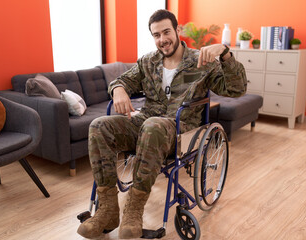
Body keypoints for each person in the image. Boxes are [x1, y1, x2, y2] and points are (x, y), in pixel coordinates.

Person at [77, 9, 247, 239]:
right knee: (99, 125)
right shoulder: (148, 62)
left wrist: (225, 53)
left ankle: (134, 210)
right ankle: (108, 210)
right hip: (146, 124)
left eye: (166, 32)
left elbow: (236, 89)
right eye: (156, 35)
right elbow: (122, 80)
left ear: (177, 30)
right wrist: (118, 90)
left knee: (154, 125)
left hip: (180, 131)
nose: (162, 39)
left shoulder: (201, 62)